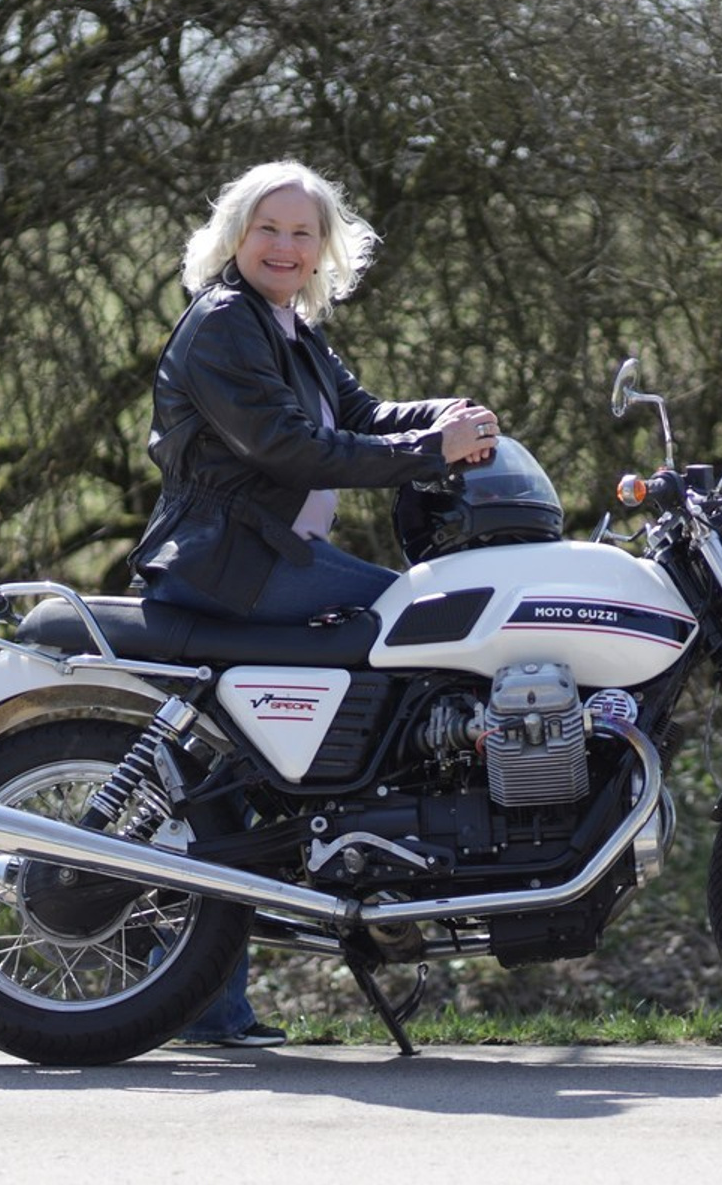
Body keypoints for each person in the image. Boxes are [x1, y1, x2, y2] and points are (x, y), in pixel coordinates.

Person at [127, 160, 499, 1045]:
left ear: (325, 249)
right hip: (231, 564)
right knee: (431, 625)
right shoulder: (224, 325)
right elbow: (291, 449)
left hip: (271, 559)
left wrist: (448, 415)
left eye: (303, 234)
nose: (286, 247)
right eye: (270, 230)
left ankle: (211, 1006)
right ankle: (393, 845)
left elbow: (363, 415)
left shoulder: (286, 325)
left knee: (248, 781)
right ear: (236, 239)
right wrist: (428, 453)